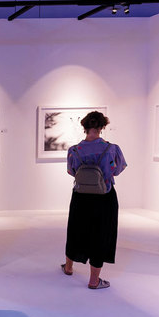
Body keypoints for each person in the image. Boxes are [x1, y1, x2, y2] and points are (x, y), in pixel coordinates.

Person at [61, 111, 126, 289]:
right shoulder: (112, 149)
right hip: (104, 196)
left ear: (84, 127)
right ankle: (94, 280)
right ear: (102, 127)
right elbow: (118, 170)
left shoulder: (74, 150)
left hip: (80, 196)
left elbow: (71, 172)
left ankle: (68, 267)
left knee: (75, 230)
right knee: (101, 235)